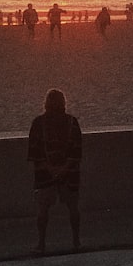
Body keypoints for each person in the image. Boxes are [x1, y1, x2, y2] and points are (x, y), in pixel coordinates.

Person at [27, 88, 83, 254]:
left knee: (43, 210)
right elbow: (76, 152)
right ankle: (76, 241)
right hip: (69, 174)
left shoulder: (38, 123)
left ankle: (41, 244)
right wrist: (64, 169)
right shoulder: (73, 122)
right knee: (73, 208)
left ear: (46, 104)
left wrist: (51, 170)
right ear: (64, 103)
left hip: (45, 174)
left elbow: (34, 152)